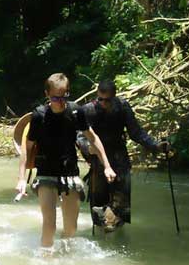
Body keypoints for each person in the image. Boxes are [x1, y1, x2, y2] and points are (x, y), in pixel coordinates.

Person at [15, 73, 116, 249]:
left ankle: (64, 257)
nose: (60, 102)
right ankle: (46, 259)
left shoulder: (76, 111)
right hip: (46, 173)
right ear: (47, 94)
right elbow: (27, 147)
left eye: (64, 97)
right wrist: (22, 178)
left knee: (71, 229)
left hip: (70, 173)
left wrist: (107, 166)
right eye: (55, 98)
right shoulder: (39, 115)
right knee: (50, 225)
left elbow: (93, 138)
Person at [77, 80, 170, 231]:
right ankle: (102, 238)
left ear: (114, 97)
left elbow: (136, 132)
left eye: (108, 100)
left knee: (121, 206)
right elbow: (80, 136)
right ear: (97, 95)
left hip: (119, 156)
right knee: (99, 206)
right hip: (98, 160)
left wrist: (155, 145)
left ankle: (118, 235)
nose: (104, 103)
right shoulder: (88, 110)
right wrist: (88, 148)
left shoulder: (122, 106)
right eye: (101, 99)